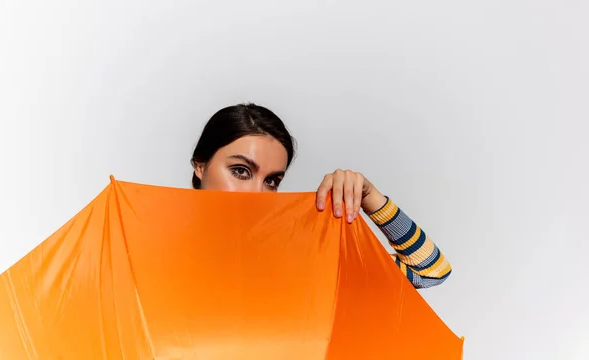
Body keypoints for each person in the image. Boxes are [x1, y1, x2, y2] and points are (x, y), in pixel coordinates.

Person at [191, 102, 451, 289]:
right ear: (200, 165)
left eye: (271, 181)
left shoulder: (301, 257)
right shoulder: (154, 245)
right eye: (240, 171)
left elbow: (429, 271)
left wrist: (371, 198)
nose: (257, 193)